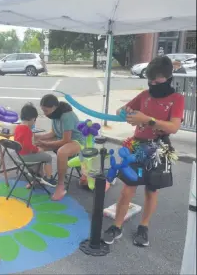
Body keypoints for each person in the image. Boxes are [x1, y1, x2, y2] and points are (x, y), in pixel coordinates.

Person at [103, 55, 185, 247]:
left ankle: (144, 227)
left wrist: (146, 119)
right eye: (150, 80)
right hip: (137, 147)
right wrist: (124, 112)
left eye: (157, 81)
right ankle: (117, 225)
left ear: (168, 77)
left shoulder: (176, 99)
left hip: (159, 149)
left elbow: (173, 127)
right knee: (127, 189)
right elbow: (123, 110)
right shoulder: (145, 95)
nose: (153, 84)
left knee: (151, 190)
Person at [35, 94, 84, 200]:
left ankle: (60, 186)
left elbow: (66, 140)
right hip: (61, 139)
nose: (45, 113)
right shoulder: (54, 115)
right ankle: (40, 177)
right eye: (43, 110)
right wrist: (38, 137)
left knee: (62, 152)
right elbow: (53, 133)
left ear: (54, 107)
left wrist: (46, 143)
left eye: (46, 111)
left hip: (76, 141)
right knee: (37, 147)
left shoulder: (67, 115)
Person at [14, 103, 53, 186]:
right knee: (48, 157)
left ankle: (37, 179)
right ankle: (49, 179)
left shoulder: (18, 127)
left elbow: (21, 144)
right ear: (32, 119)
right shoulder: (27, 130)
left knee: (40, 158)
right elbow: (28, 147)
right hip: (26, 157)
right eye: (35, 120)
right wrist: (37, 149)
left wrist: (35, 149)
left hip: (19, 156)